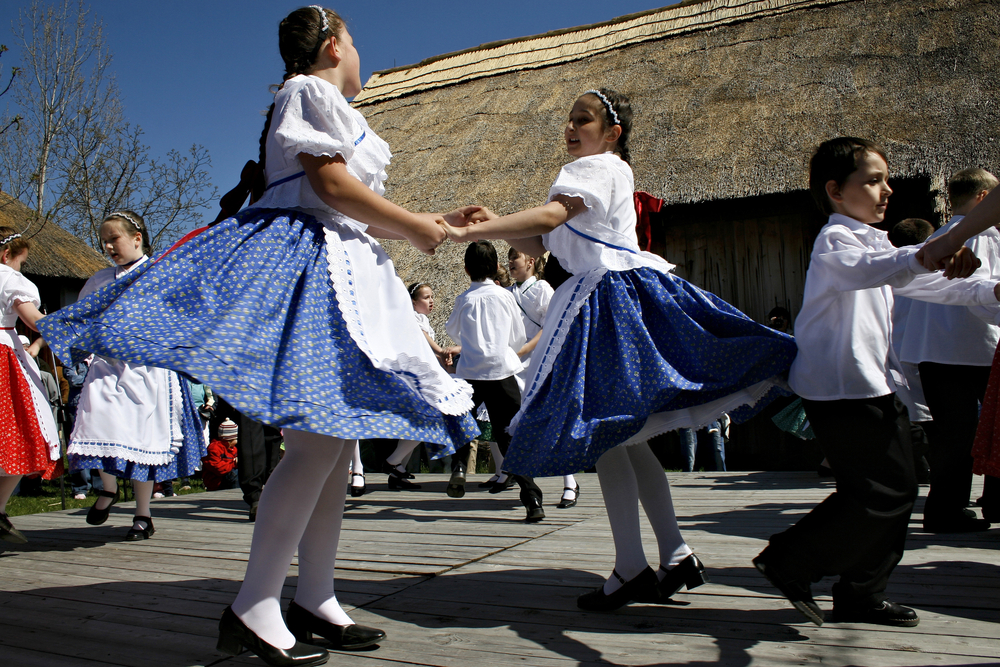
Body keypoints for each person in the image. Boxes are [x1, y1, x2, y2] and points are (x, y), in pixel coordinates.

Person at [39, 8, 478, 666]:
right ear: (332, 46)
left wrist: (427, 220)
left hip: (344, 269)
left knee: (332, 445)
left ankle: (316, 595)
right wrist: (413, 225)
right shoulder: (309, 91)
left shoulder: (326, 99)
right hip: (310, 272)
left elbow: (347, 199)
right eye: (354, 41)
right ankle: (255, 602)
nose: (359, 52)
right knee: (317, 444)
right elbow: (329, 184)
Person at [441, 89, 798, 612]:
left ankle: (634, 567)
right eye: (568, 119)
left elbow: (546, 219)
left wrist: (465, 230)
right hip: (604, 298)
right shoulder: (602, 172)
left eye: (582, 119)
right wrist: (499, 221)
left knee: (610, 436)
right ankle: (673, 555)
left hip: (604, 302)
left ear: (613, 133)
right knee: (627, 440)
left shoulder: (596, 167)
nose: (570, 127)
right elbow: (544, 241)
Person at [753, 137, 1000, 629]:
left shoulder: (874, 239)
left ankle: (861, 592)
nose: (886, 189)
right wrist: (936, 248)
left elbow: (924, 282)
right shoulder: (835, 242)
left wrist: (990, 289)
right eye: (872, 180)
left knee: (897, 491)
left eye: (886, 179)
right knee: (881, 492)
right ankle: (790, 560)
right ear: (835, 191)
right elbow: (879, 270)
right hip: (842, 389)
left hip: (876, 386)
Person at [62, 211, 205, 542]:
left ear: (136, 238)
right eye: (105, 241)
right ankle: (108, 489)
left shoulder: (161, 274)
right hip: (108, 367)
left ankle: (143, 514)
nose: (109, 246)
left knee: (144, 439)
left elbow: (183, 317)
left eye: (115, 239)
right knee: (94, 424)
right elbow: (80, 320)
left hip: (149, 369)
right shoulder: (99, 280)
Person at [898, 169, 999, 532]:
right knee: (993, 431)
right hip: (982, 351)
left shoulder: (935, 239)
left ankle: (944, 508)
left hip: (932, 353)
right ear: (985, 200)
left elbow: (906, 307)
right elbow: (987, 297)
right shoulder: (985, 238)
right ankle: (995, 500)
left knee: (951, 437)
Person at [445, 241, 545, 522]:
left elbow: (454, 333)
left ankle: (460, 466)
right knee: (509, 432)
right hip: (501, 371)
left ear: (466, 270)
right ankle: (532, 497)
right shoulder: (504, 297)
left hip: (470, 372)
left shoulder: (464, 299)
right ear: (496, 267)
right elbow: (516, 338)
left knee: (462, 419)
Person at [0, 227, 62, 543]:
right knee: (22, 433)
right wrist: (62, 326)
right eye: (21, 262)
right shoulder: (9, 280)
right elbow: (33, 320)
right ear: (6, 255)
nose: (20, 269)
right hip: (3, 355)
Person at [506, 248, 580, 507]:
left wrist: (526, 349)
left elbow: (552, 325)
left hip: (540, 359)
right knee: (516, 419)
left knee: (551, 418)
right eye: (509, 259)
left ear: (530, 260)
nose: (510, 263)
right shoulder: (508, 292)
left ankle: (570, 481)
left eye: (515, 258)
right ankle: (511, 473)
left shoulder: (543, 289)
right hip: (514, 362)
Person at [380, 281, 447, 492]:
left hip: (422, 376)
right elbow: (424, 340)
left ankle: (397, 470)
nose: (431, 300)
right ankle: (393, 461)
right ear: (413, 302)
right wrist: (440, 351)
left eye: (432, 296)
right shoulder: (412, 319)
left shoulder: (422, 319)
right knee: (425, 422)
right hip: (416, 380)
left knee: (414, 425)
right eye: (426, 297)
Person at [203, 418, 240, 491]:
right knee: (235, 473)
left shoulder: (233, 449)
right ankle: (235, 491)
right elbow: (219, 469)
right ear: (230, 439)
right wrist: (234, 463)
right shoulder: (214, 448)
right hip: (216, 481)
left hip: (225, 478)